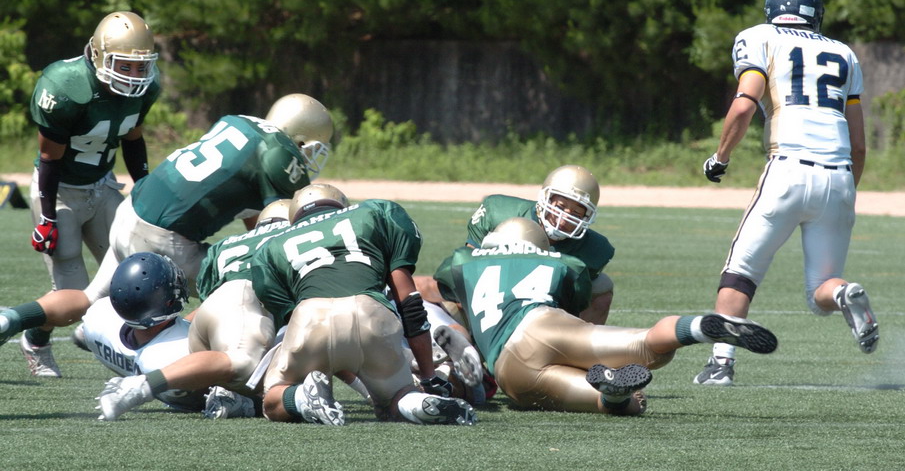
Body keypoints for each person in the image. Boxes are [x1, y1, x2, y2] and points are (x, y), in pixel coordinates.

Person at [0, 94, 333, 375]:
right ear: (302, 138)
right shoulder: (280, 155)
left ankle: (11, 318)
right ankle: (190, 364)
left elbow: (253, 214)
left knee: (89, 297)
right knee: (244, 292)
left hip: (131, 211)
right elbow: (282, 229)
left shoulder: (240, 122)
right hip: (165, 237)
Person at [695, 0, 877, 387]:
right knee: (821, 291)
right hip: (840, 176)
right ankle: (844, 293)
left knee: (740, 271)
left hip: (788, 168)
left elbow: (744, 104)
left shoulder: (760, 37)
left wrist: (719, 158)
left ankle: (721, 365)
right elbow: (859, 144)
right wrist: (845, 192)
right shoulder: (844, 53)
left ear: (772, 10)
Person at [434, 217, 778, 415]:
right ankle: (700, 328)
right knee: (645, 345)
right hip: (542, 323)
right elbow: (576, 304)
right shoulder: (562, 263)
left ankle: (612, 395)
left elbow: (433, 289)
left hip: (510, 372)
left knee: (629, 403)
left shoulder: (462, 264)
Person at [251, 185, 476, 426]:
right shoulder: (376, 212)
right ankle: (412, 401)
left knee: (273, 399)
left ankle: (301, 398)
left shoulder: (269, 249)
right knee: (398, 398)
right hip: (372, 314)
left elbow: (290, 317)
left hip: (311, 316)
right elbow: (410, 304)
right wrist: (428, 374)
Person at [24, 11, 160, 377]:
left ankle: (138, 349)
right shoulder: (65, 85)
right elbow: (50, 158)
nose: (133, 76)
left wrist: (145, 189)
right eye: (124, 66)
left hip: (102, 185)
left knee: (136, 272)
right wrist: (47, 216)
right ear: (99, 56)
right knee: (74, 298)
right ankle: (36, 338)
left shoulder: (146, 89)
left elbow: (133, 139)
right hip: (61, 190)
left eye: (140, 66)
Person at [94, 199, 295, 421]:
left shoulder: (97, 319)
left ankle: (246, 402)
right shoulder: (293, 241)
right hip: (240, 316)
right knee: (257, 362)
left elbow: (210, 306)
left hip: (215, 313)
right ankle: (143, 387)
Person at [417, 164, 616, 324]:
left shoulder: (595, 250)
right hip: (487, 297)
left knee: (602, 286)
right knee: (430, 291)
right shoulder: (498, 211)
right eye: (560, 206)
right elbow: (466, 273)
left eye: (576, 213)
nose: (563, 219)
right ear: (545, 198)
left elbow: (573, 301)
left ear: (588, 217)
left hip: (541, 310)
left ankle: (575, 352)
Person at [90, 251, 237, 418]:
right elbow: (231, 364)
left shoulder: (96, 320)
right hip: (204, 392)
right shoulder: (182, 352)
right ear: (169, 302)